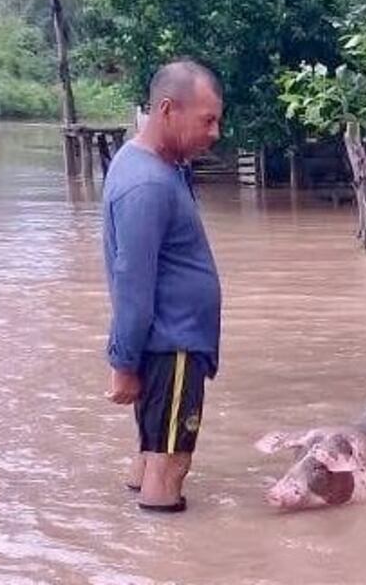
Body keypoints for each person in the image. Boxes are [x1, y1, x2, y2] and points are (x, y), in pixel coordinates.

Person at [102, 58, 224, 513]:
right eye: (207, 120)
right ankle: (166, 560)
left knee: (153, 453)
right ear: (168, 110)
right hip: (173, 345)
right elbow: (131, 283)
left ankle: (139, 534)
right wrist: (123, 363)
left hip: (170, 343)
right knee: (170, 466)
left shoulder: (156, 165)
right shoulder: (148, 184)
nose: (215, 132)